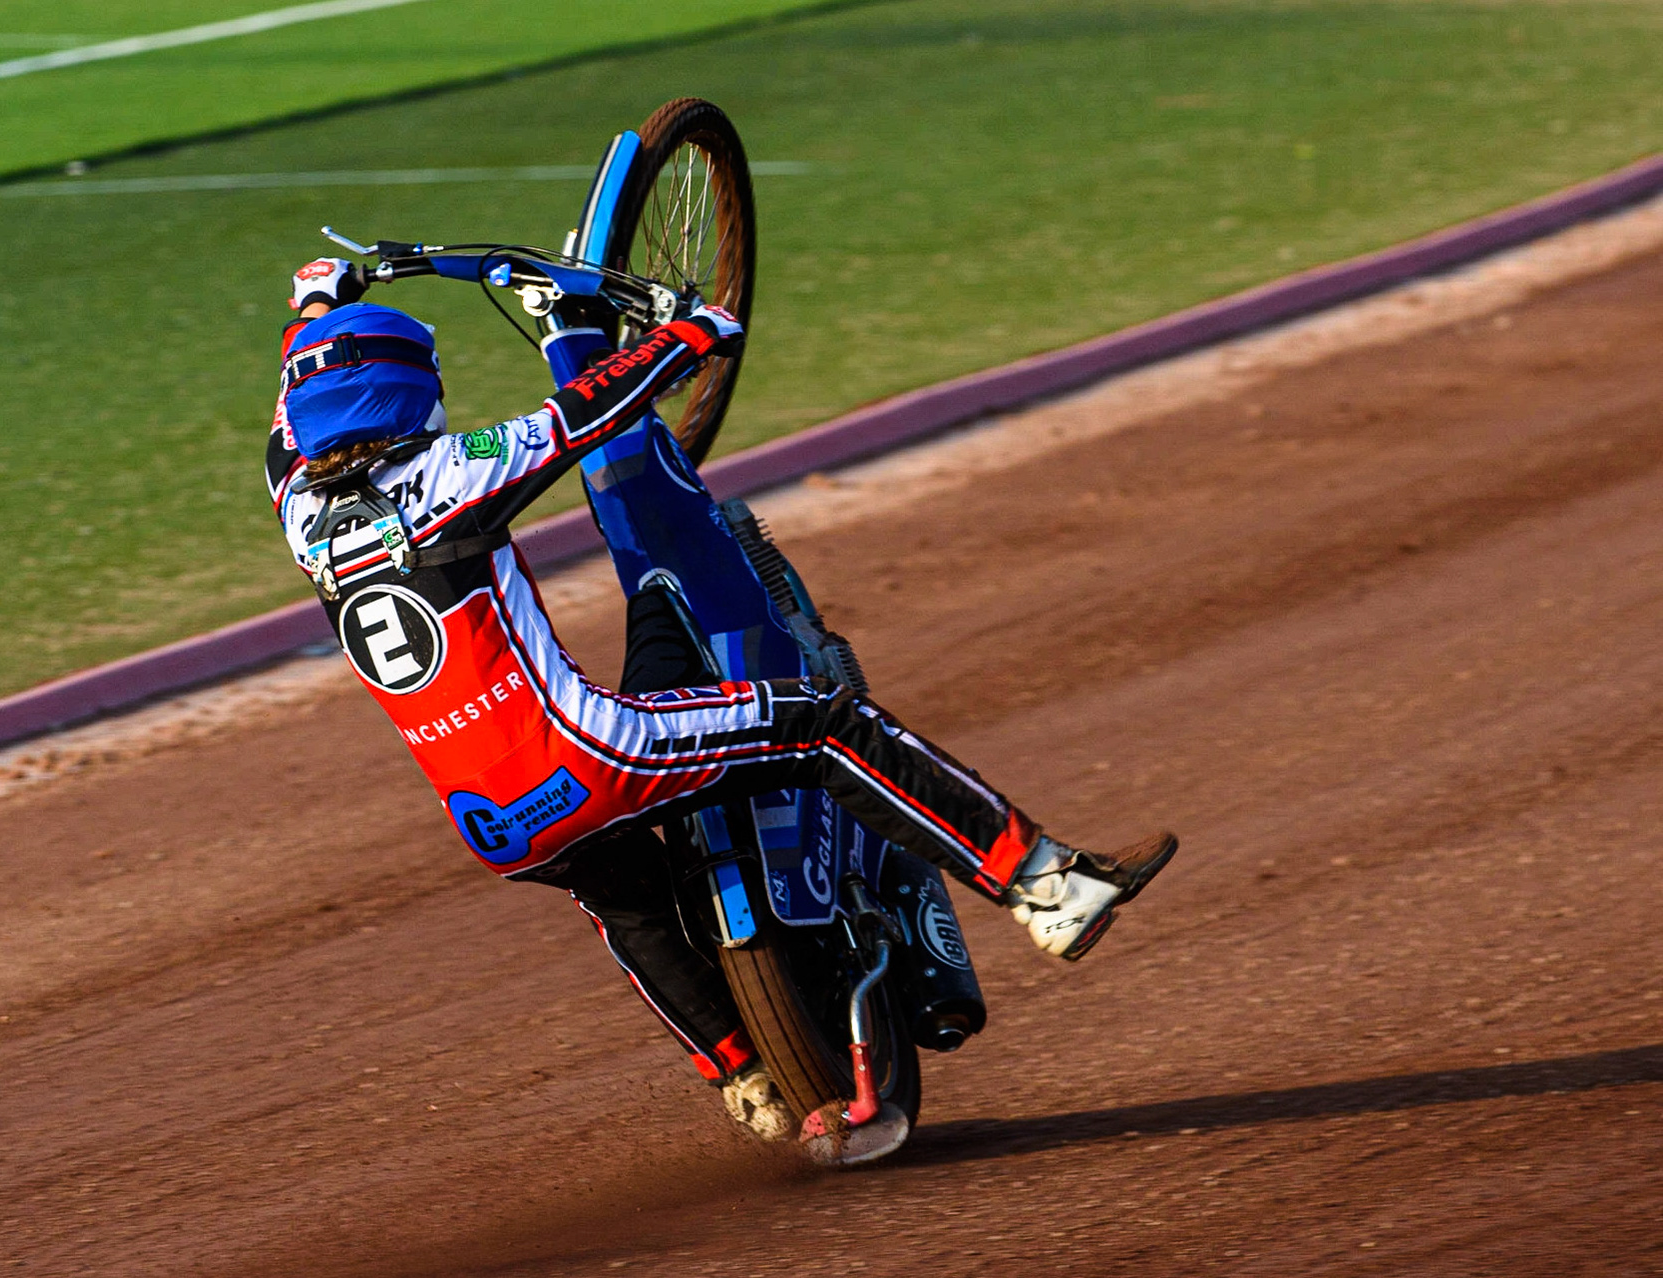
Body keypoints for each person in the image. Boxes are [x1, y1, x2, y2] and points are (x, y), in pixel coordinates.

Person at [265, 257, 1177, 1141]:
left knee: (626, 899)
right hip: (595, 757)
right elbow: (586, 412)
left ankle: (744, 1077)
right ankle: (1045, 882)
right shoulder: (452, 471)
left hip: (492, 822)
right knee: (823, 726)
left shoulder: (301, 513)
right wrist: (692, 332)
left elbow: (284, 433)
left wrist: (313, 307)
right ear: (408, 391)